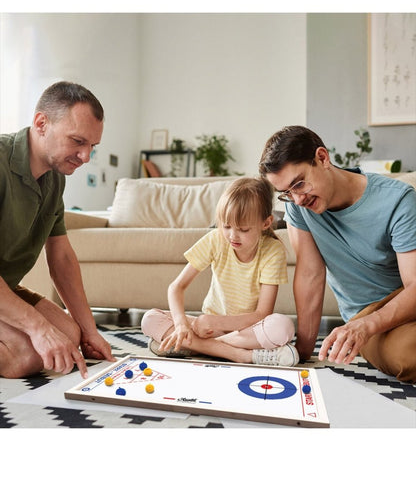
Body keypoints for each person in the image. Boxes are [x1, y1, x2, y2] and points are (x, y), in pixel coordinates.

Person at [259, 125, 416, 383]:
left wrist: (368, 325)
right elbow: (310, 274)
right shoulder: (299, 209)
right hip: (365, 317)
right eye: (287, 193)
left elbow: (414, 286)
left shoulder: (397, 201)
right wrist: (303, 352)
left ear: (322, 158)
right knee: (407, 356)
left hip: (404, 300)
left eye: (299, 183)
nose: (297, 199)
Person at [0, 81, 115, 380]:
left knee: (68, 333)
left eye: (92, 146)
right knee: (26, 354)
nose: (86, 156)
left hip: (5, 288)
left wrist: (90, 332)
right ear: (41, 124)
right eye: (77, 141)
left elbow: (62, 259)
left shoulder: (54, 179)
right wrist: (36, 328)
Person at [141, 177, 299, 367]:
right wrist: (181, 323)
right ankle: (242, 356)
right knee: (150, 319)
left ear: (266, 223)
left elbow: (262, 314)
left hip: (244, 332)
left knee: (283, 327)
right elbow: (176, 287)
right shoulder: (215, 240)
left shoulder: (273, 250)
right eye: (226, 226)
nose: (232, 236)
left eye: (243, 229)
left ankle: (193, 346)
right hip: (208, 330)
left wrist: (215, 322)